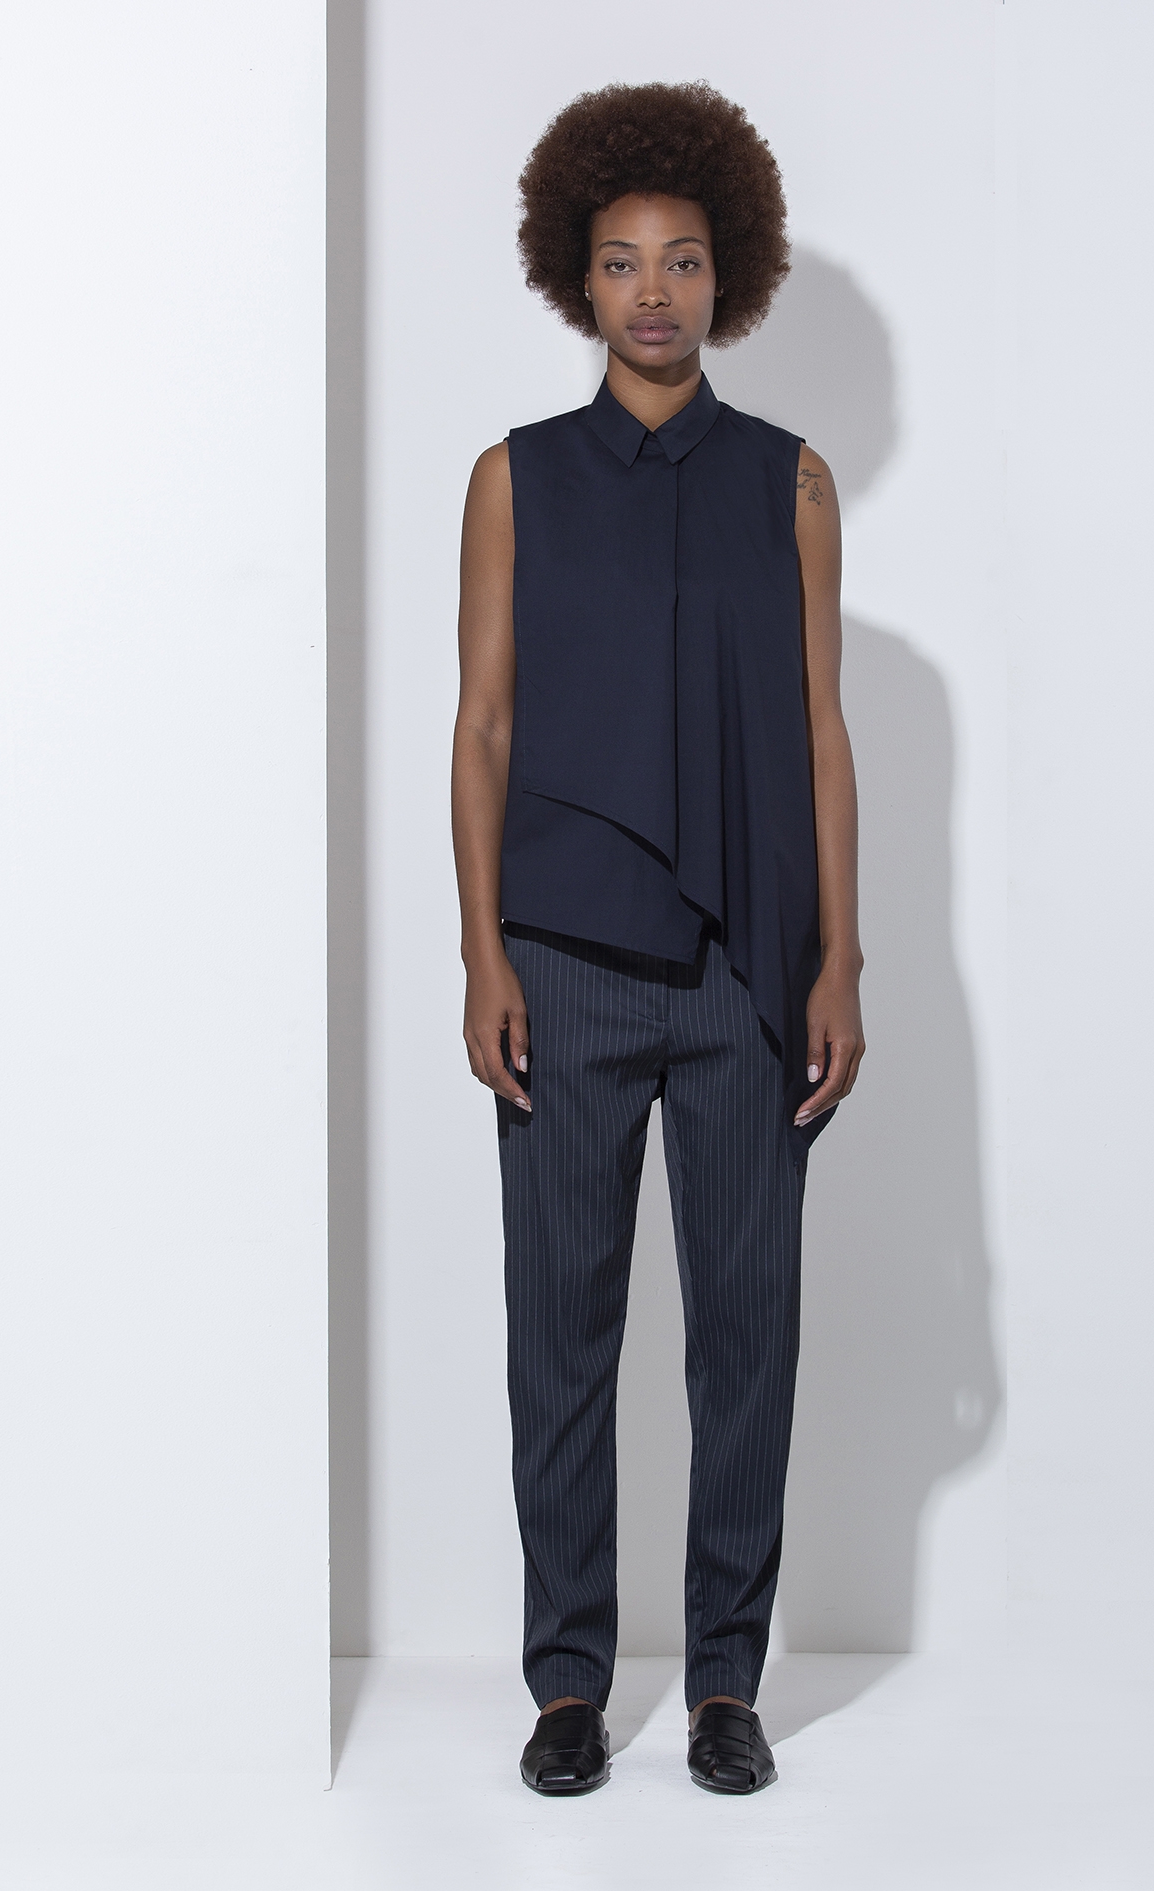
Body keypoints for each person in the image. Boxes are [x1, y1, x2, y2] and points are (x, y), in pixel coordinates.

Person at [450, 81, 865, 1798]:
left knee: (746, 1338)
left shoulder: (791, 482)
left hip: (747, 975)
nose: (652, 292)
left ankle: (722, 1685)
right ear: (577, 276)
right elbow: (483, 725)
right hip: (564, 959)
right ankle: (567, 1686)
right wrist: (482, 956)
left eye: (682, 260)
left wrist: (841, 959)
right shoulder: (516, 479)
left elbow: (822, 729)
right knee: (562, 1333)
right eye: (621, 262)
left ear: (728, 274)